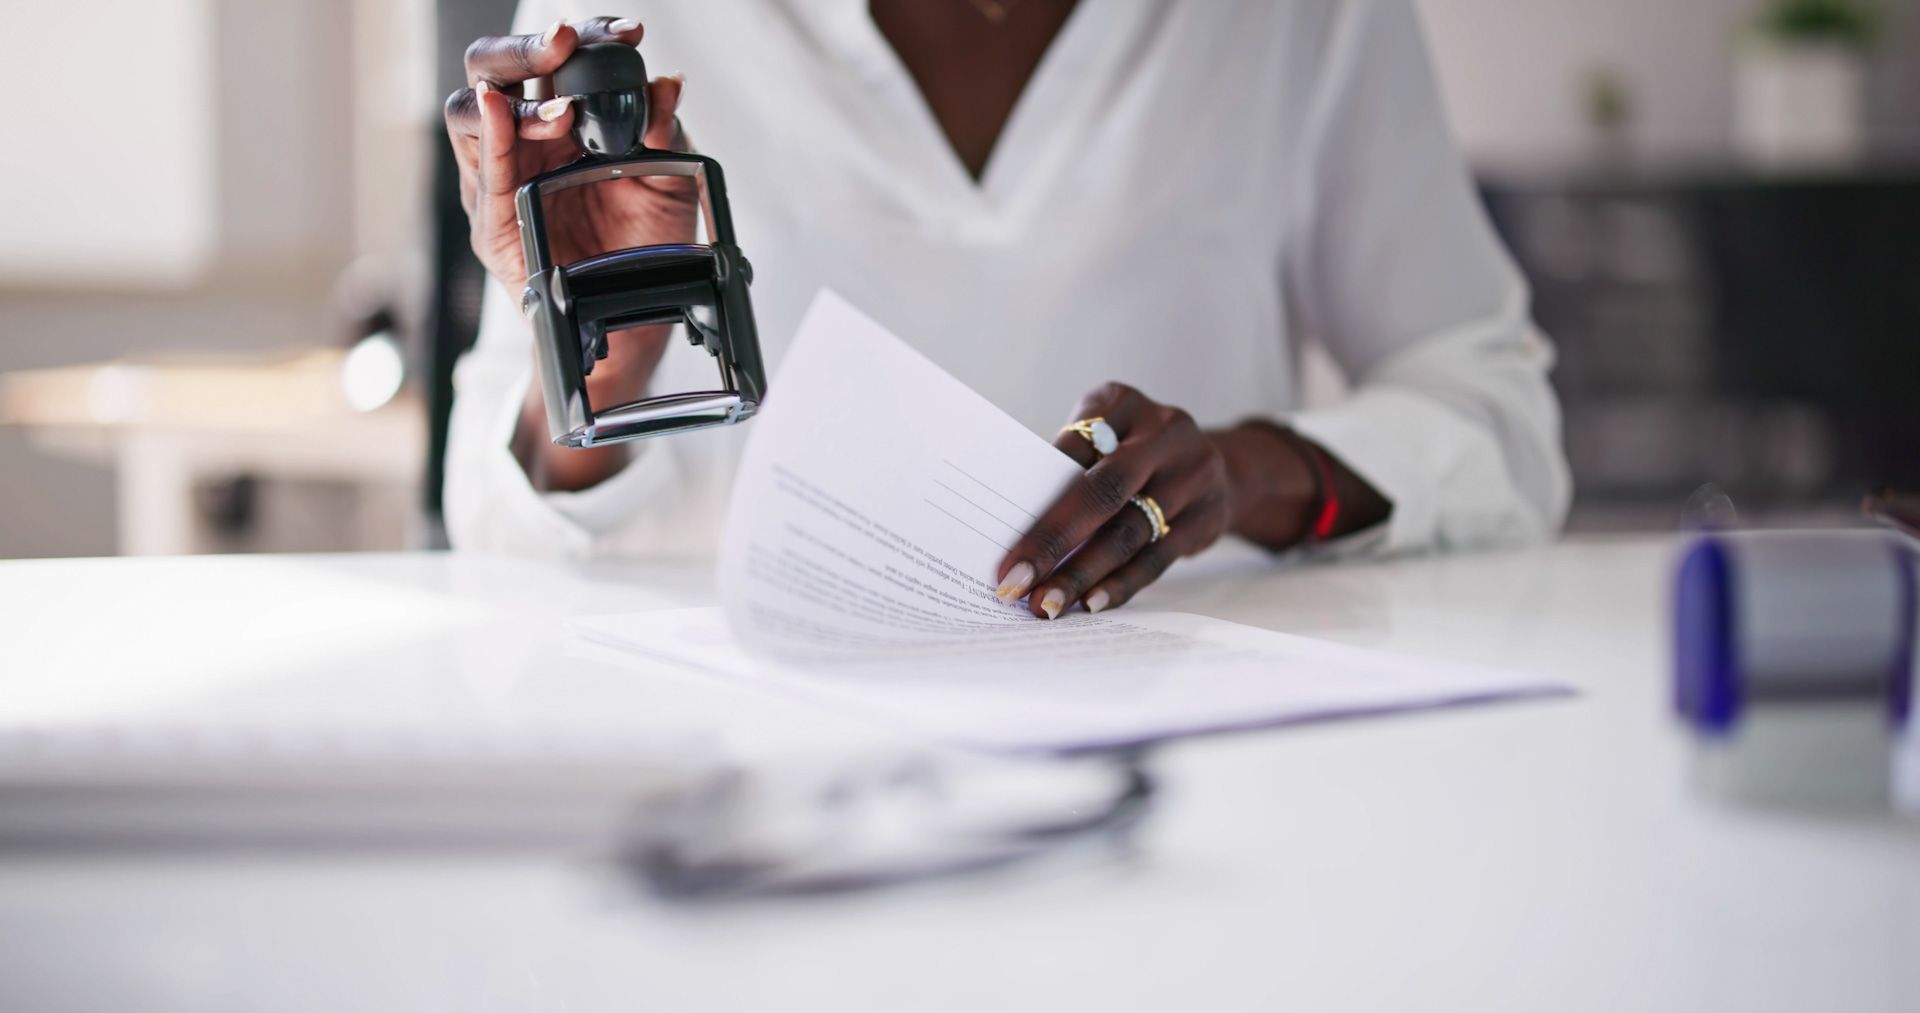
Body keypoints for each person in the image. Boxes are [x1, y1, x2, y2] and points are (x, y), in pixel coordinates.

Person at [443, 0, 1570, 619]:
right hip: (759, 766)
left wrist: (1256, 475)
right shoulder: (624, 24)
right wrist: (609, 348)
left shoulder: (1298, 19)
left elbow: (1499, 418)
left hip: (1202, 755)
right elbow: (495, 518)